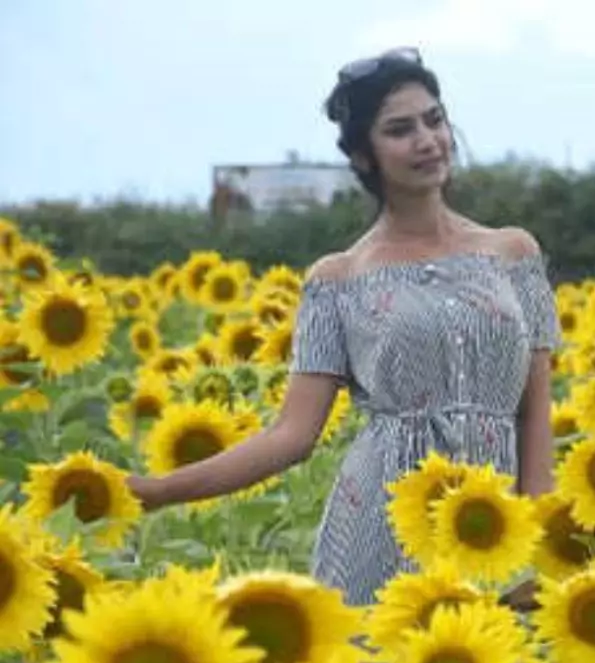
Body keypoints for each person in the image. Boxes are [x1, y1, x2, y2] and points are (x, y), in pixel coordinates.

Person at [127, 47, 561, 611]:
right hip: (379, 529)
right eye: (400, 130)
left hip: (493, 527)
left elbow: (534, 412)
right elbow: (292, 435)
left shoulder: (514, 253)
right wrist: (159, 492)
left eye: (435, 120)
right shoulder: (337, 280)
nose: (428, 141)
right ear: (363, 156)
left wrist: (537, 544)